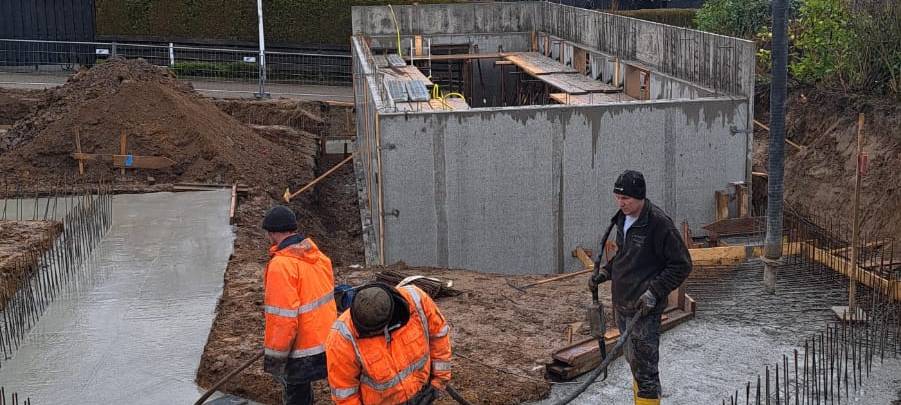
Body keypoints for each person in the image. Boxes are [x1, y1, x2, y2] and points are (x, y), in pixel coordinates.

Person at [590, 170, 692, 405]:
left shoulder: (658, 224)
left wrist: (654, 292)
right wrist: (606, 272)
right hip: (624, 304)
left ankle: (647, 399)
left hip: (644, 310)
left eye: (626, 199)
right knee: (634, 363)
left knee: (645, 372)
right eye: (617, 197)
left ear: (640, 197)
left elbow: (682, 264)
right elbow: (625, 256)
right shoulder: (623, 219)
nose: (621, 203)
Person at [325, 283, 452, 405]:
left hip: (422, 393)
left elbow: (439, 336)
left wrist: (438, 383)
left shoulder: (417, 301)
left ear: (388, 322)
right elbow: (345, 394)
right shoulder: (341, 337)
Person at [261, 205, 337, 405]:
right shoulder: (319, 257)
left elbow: (282, 318)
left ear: (272, 233)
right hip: (329, 340)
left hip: (302, 348)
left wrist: (276, 356)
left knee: (296, 394)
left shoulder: (281, 266)